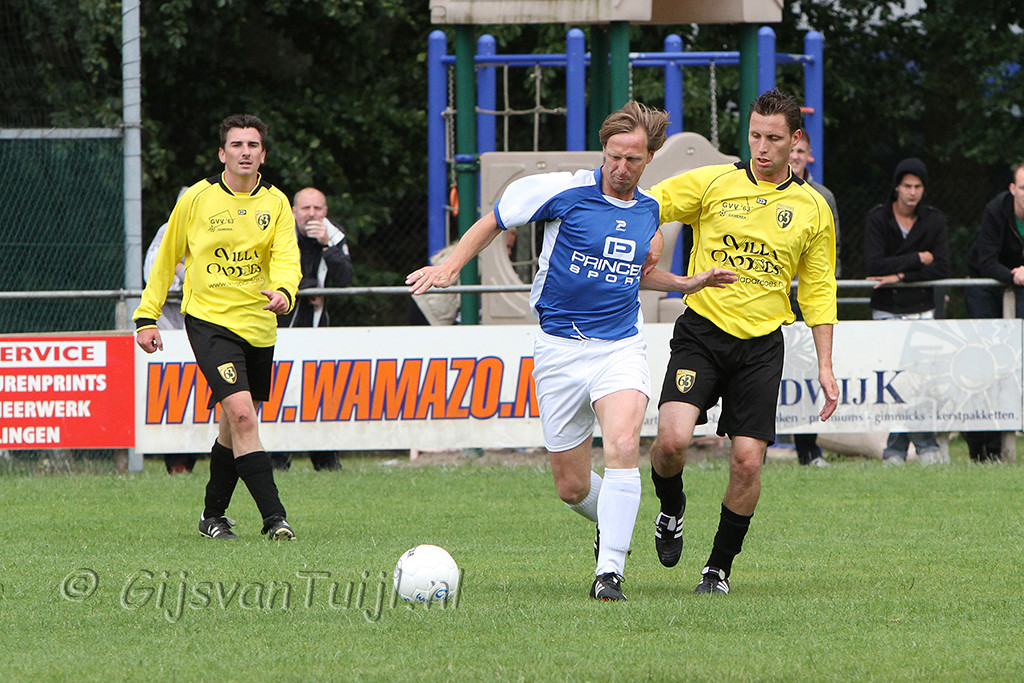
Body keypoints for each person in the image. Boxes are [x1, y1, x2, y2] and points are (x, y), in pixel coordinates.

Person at [406, 101, 736, 601]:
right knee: (572, 487)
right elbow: (494, 219)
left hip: (619, 346)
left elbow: (635, 274)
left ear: (649, 158)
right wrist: (450, 267)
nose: (621, 167)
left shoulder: (648, 211)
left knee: (622, 445)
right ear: (604, 151)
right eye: (613, 156)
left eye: (632, 159)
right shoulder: (562, 190)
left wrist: (686, 283)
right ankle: (616, 515)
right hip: (558, 349)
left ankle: (609, 574)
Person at [646, 89, 839, 595]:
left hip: (760, 346)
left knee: (748, 460)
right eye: (755, 135)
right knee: (671, 442)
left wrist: (825, 366)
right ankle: (671, 507)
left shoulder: (813, 209)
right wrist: (654, 237)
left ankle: (717, 569)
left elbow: (819, 291)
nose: (762, 147)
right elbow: (648, 205)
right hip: (702, 332)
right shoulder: (714, 182)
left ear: (795, 140)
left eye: (773, 138)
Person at [134, 113, 302, 541]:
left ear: (263, 154)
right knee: (244, 416)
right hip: (209, 321)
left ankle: (212, 516)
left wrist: (285, 291)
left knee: (233, 424)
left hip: (259, 325)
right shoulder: (196, 198)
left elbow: (287, 258)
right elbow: (166, 258)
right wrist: (147, 316)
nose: (245, 152)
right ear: (222, 153)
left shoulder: (276, 203)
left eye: (252, 145)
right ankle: (275, 519)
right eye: (236, 145)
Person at [865, 157, 950, 466]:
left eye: (918, 186)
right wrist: (918, 258)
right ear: (897, 188)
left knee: (921, 381)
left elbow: (942, 266)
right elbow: (874, 264)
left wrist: (899, 275)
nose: (912, 192)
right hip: (886, 310)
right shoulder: (878, 218)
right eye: (907, 186)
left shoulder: (934, 220)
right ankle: (909, 448)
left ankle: (912, 447)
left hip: (922, 309)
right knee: (896, 381)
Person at [273, 186, 353, 472]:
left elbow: (344, 279)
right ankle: (277, 457)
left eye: (317, 208)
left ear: (325, 211)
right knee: (281, 389)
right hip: (280, 325)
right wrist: (308, 288)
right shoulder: (279, 231)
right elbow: (270, 273)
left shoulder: (334, 234)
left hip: (319, 328)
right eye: (306, 208)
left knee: (320, 390)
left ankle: (326, 458)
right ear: (294, 212)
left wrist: (327, 247)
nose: (312, 214)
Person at [961, 161, 1024, 461]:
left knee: (1014, 362)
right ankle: (979, 444)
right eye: (1023, 187)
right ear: (1013, 189)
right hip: (986, 286)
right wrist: (1014, 275)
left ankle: (1002, 442)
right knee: (984, 363)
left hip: (1018, 285)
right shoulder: (996, 210)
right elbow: (986, 260)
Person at [788, 129, 841, 467]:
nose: (794, 156)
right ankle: (755, 448)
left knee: (809, 373)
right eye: (791, 150)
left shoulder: (823, 196)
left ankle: (808, 449)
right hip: (772, 296)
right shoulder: (761, 190)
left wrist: (828, 290)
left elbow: (834, 251)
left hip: (806, 300)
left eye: (801, 151)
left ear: (810, 156)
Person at [143, 187, 200, 475]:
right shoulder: (167, 231)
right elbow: (154, 275)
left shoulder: (218, 231)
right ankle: (178, 463)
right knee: (176, 396)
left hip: (206, 327)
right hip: (171, 332)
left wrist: (182, 268)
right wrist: (182, 270)